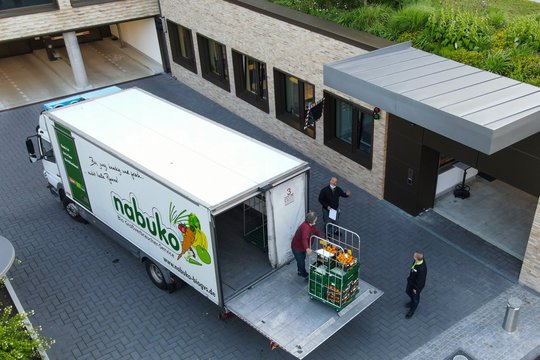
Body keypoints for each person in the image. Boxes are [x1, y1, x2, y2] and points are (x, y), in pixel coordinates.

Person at [291, 211, 322, 279]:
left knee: (302, 259)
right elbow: (304, 239)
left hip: (302, 248)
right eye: (315, 218)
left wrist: (322, 238)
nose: (316, 219)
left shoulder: (311, 225)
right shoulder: (306, 228)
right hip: (297, 248)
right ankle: (304, 274)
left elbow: (316, 231)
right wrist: (307, 248)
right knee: (301, 262)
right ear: (312, 220)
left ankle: (299, 271)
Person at [405, 251, 427, 319]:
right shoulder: (417, 261)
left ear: (417, 258)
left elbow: (420, 281)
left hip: (416, 286)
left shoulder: (422, 269)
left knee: (415, 299)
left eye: (414, 256)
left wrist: (415, 289)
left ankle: (412, 310)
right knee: (408, 291)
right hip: (411, 281)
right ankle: (412, 302)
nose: (413, 256)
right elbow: (413, 269)